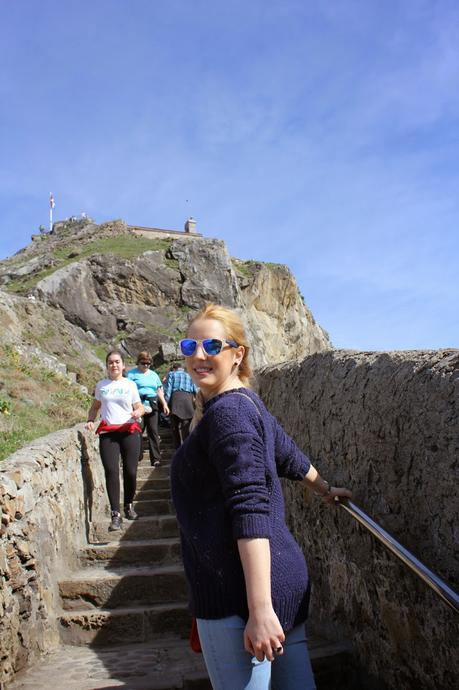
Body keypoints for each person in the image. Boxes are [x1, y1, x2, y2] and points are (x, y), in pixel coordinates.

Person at [170, 304, 352, 690]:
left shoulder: (228, 414)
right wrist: (325, 490)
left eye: (212, 345)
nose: (199, 355)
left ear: (238, 354)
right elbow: (289, 455)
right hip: (282, 582)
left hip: (240, 597)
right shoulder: (248, 405)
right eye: (190, 345)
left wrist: (259, 608)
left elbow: (249, 507)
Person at [85, 350, 144, 531]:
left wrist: (138, 412)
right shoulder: (101, 385)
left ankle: (128, 504)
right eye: (111, 362)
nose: (114, 365)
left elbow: (139, 406)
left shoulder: (130, 385)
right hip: (108, 433)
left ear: (123, 365)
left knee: (131, 471)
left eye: (117, 362)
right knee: (111, 471)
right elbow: (95, 407)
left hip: (129, 431)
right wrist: (89, 420)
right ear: (107, 365)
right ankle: (115, 514)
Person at [127, 352, 170, 466]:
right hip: (138, 405)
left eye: (148, 364)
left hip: (152, 403)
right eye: (143, 363)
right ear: (138, 362)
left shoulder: (154, 375)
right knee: (137, 431)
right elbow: (127, 391)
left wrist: (165, 404)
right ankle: (137, 455)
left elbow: (159, 390)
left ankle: (156, 458)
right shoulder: (131, 374)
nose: (146, 366)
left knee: (153, 432)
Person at [163, 362, 198, 449]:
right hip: (188, 399)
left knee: (175, 427)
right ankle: (188, 448)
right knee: (186, 426)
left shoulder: (172, 374)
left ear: (174, 368)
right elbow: (196, 390)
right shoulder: (190, 375)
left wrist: (165, 403)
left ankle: (177, 448)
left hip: (176, 399)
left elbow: (168, 390)